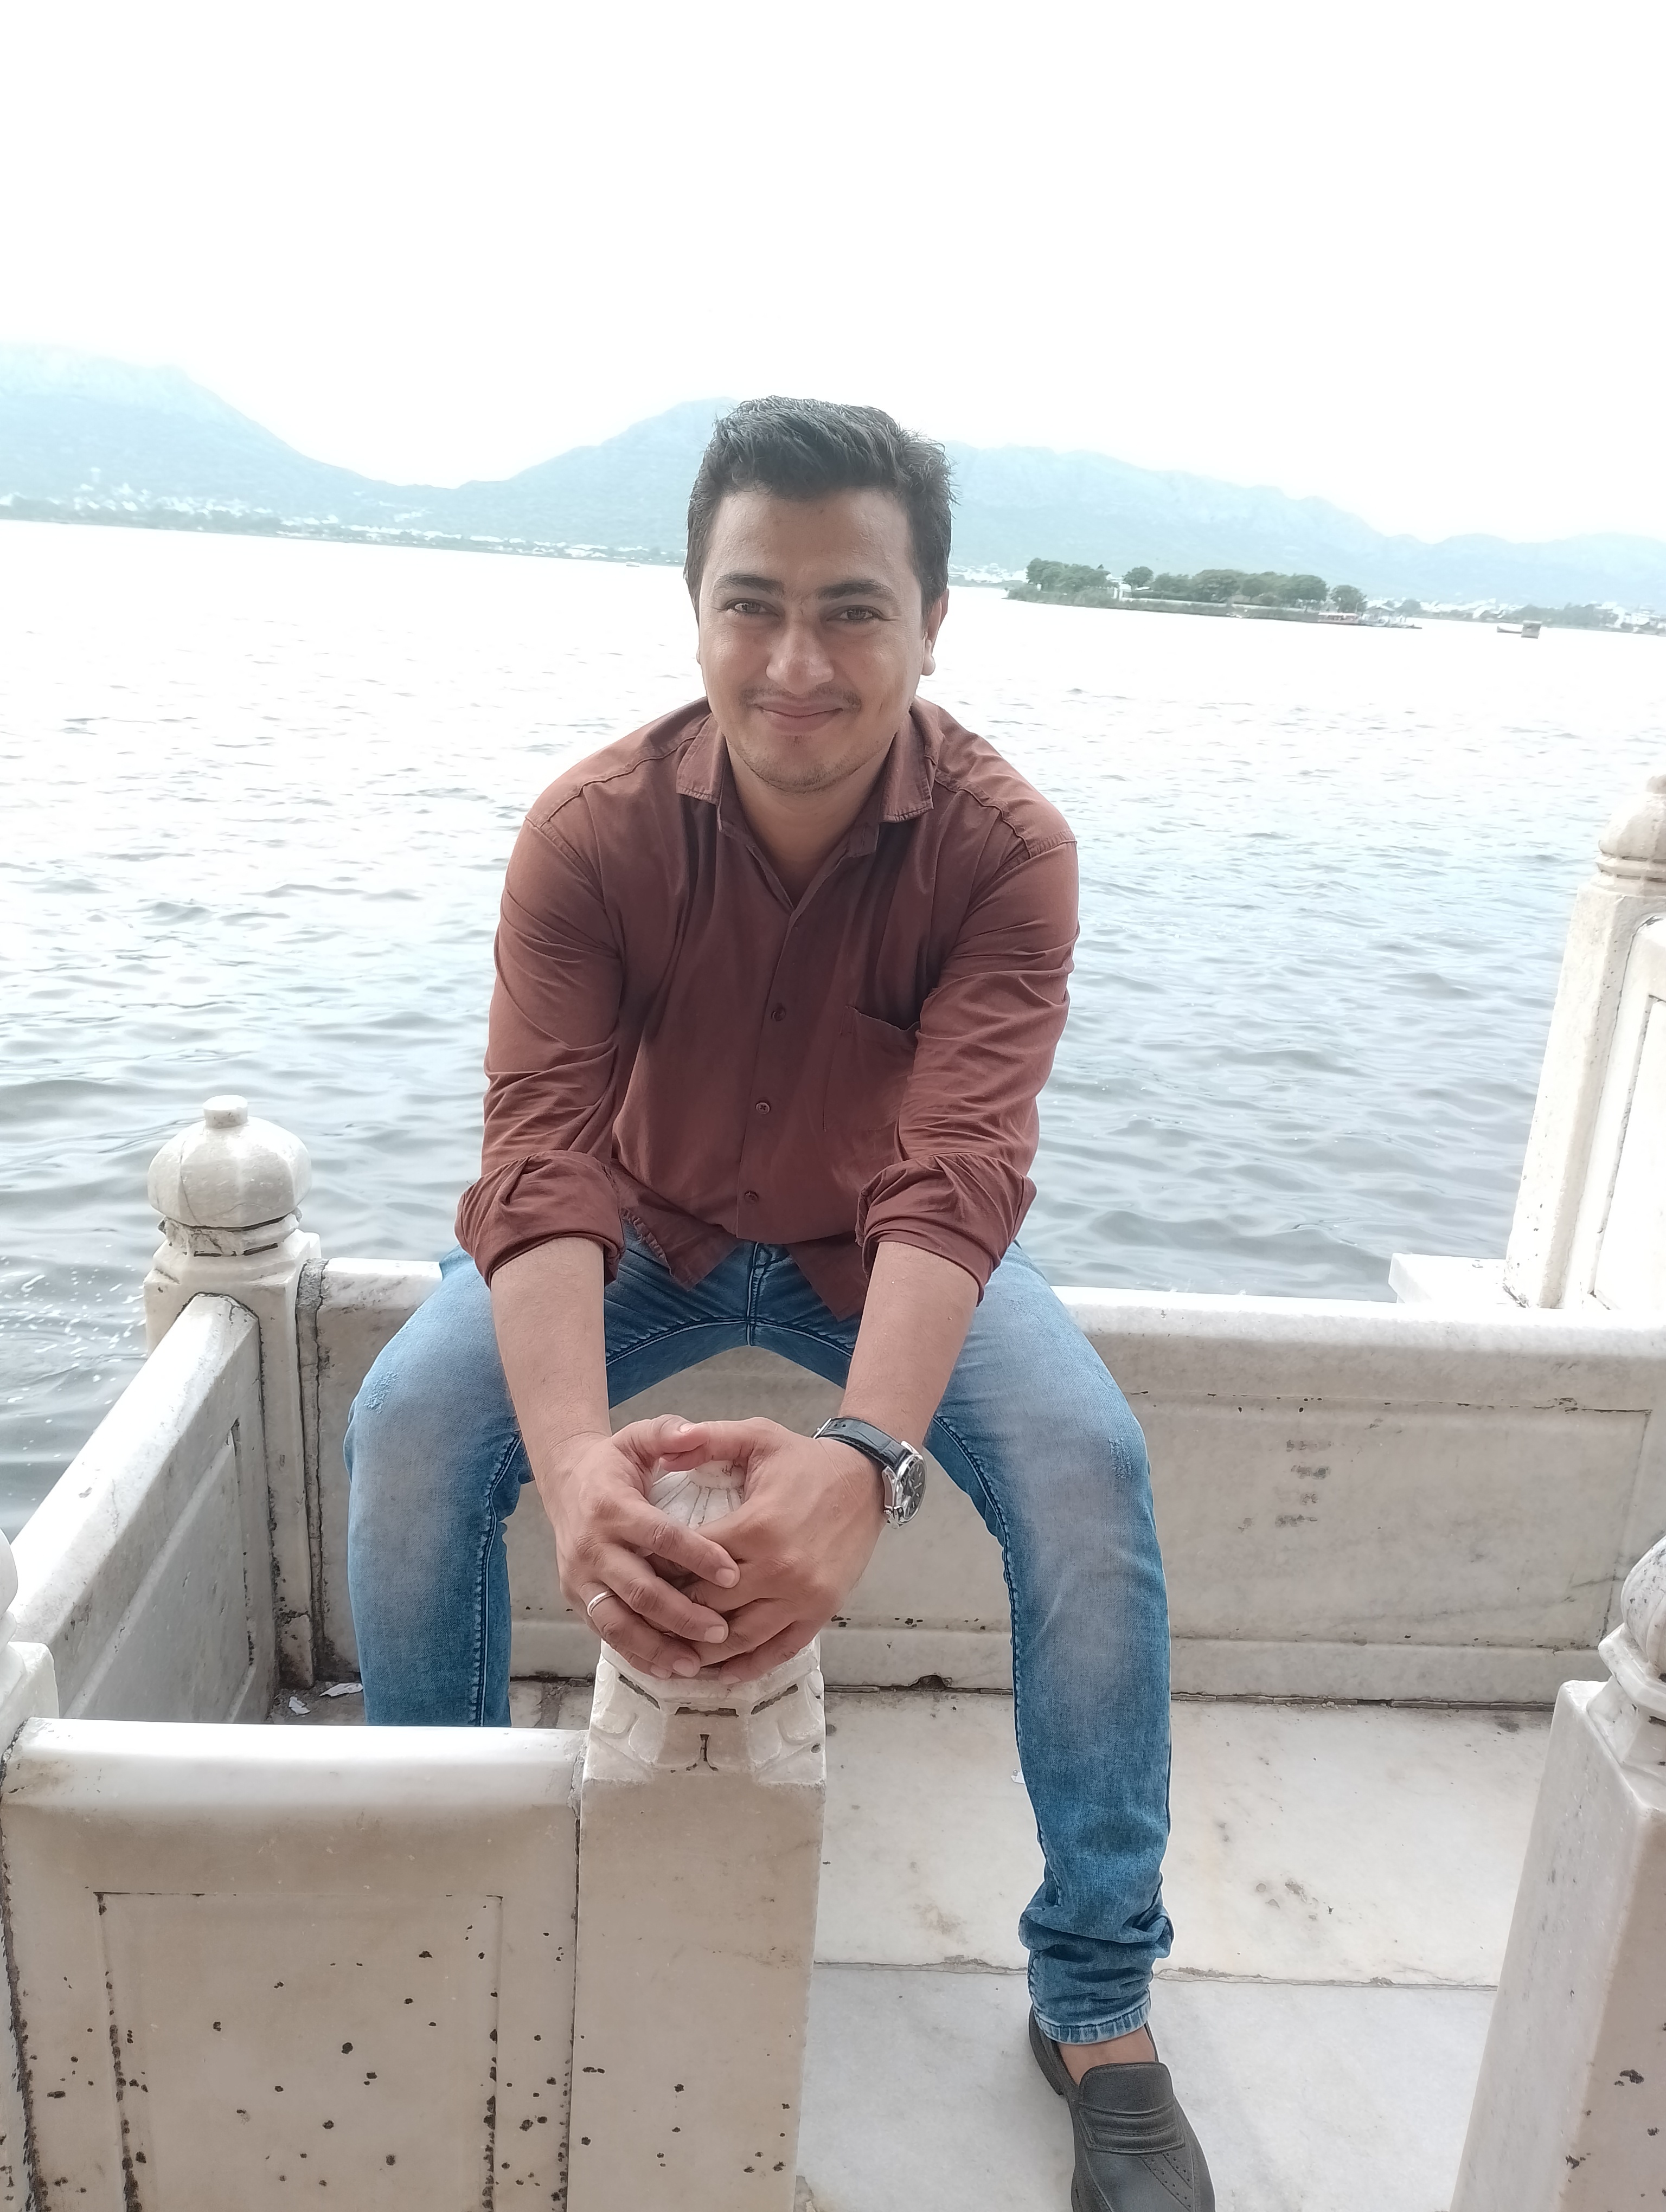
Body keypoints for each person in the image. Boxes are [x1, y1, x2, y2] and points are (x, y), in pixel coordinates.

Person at [344, 396, 1213, 2212]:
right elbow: (539, 1161)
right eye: (754, 604)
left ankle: (1099, 2001)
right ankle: (448, 1893)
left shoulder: (1006, 851)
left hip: (874, 1247)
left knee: (1087, 1471)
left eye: (851, 609)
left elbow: (958, 1175)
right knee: (413, 1429)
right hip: (641, 1230)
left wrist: (869, 1455)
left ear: (933, 624)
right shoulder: (591, 835)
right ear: (695, 611)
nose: (797, 663)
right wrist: (572, 1465)